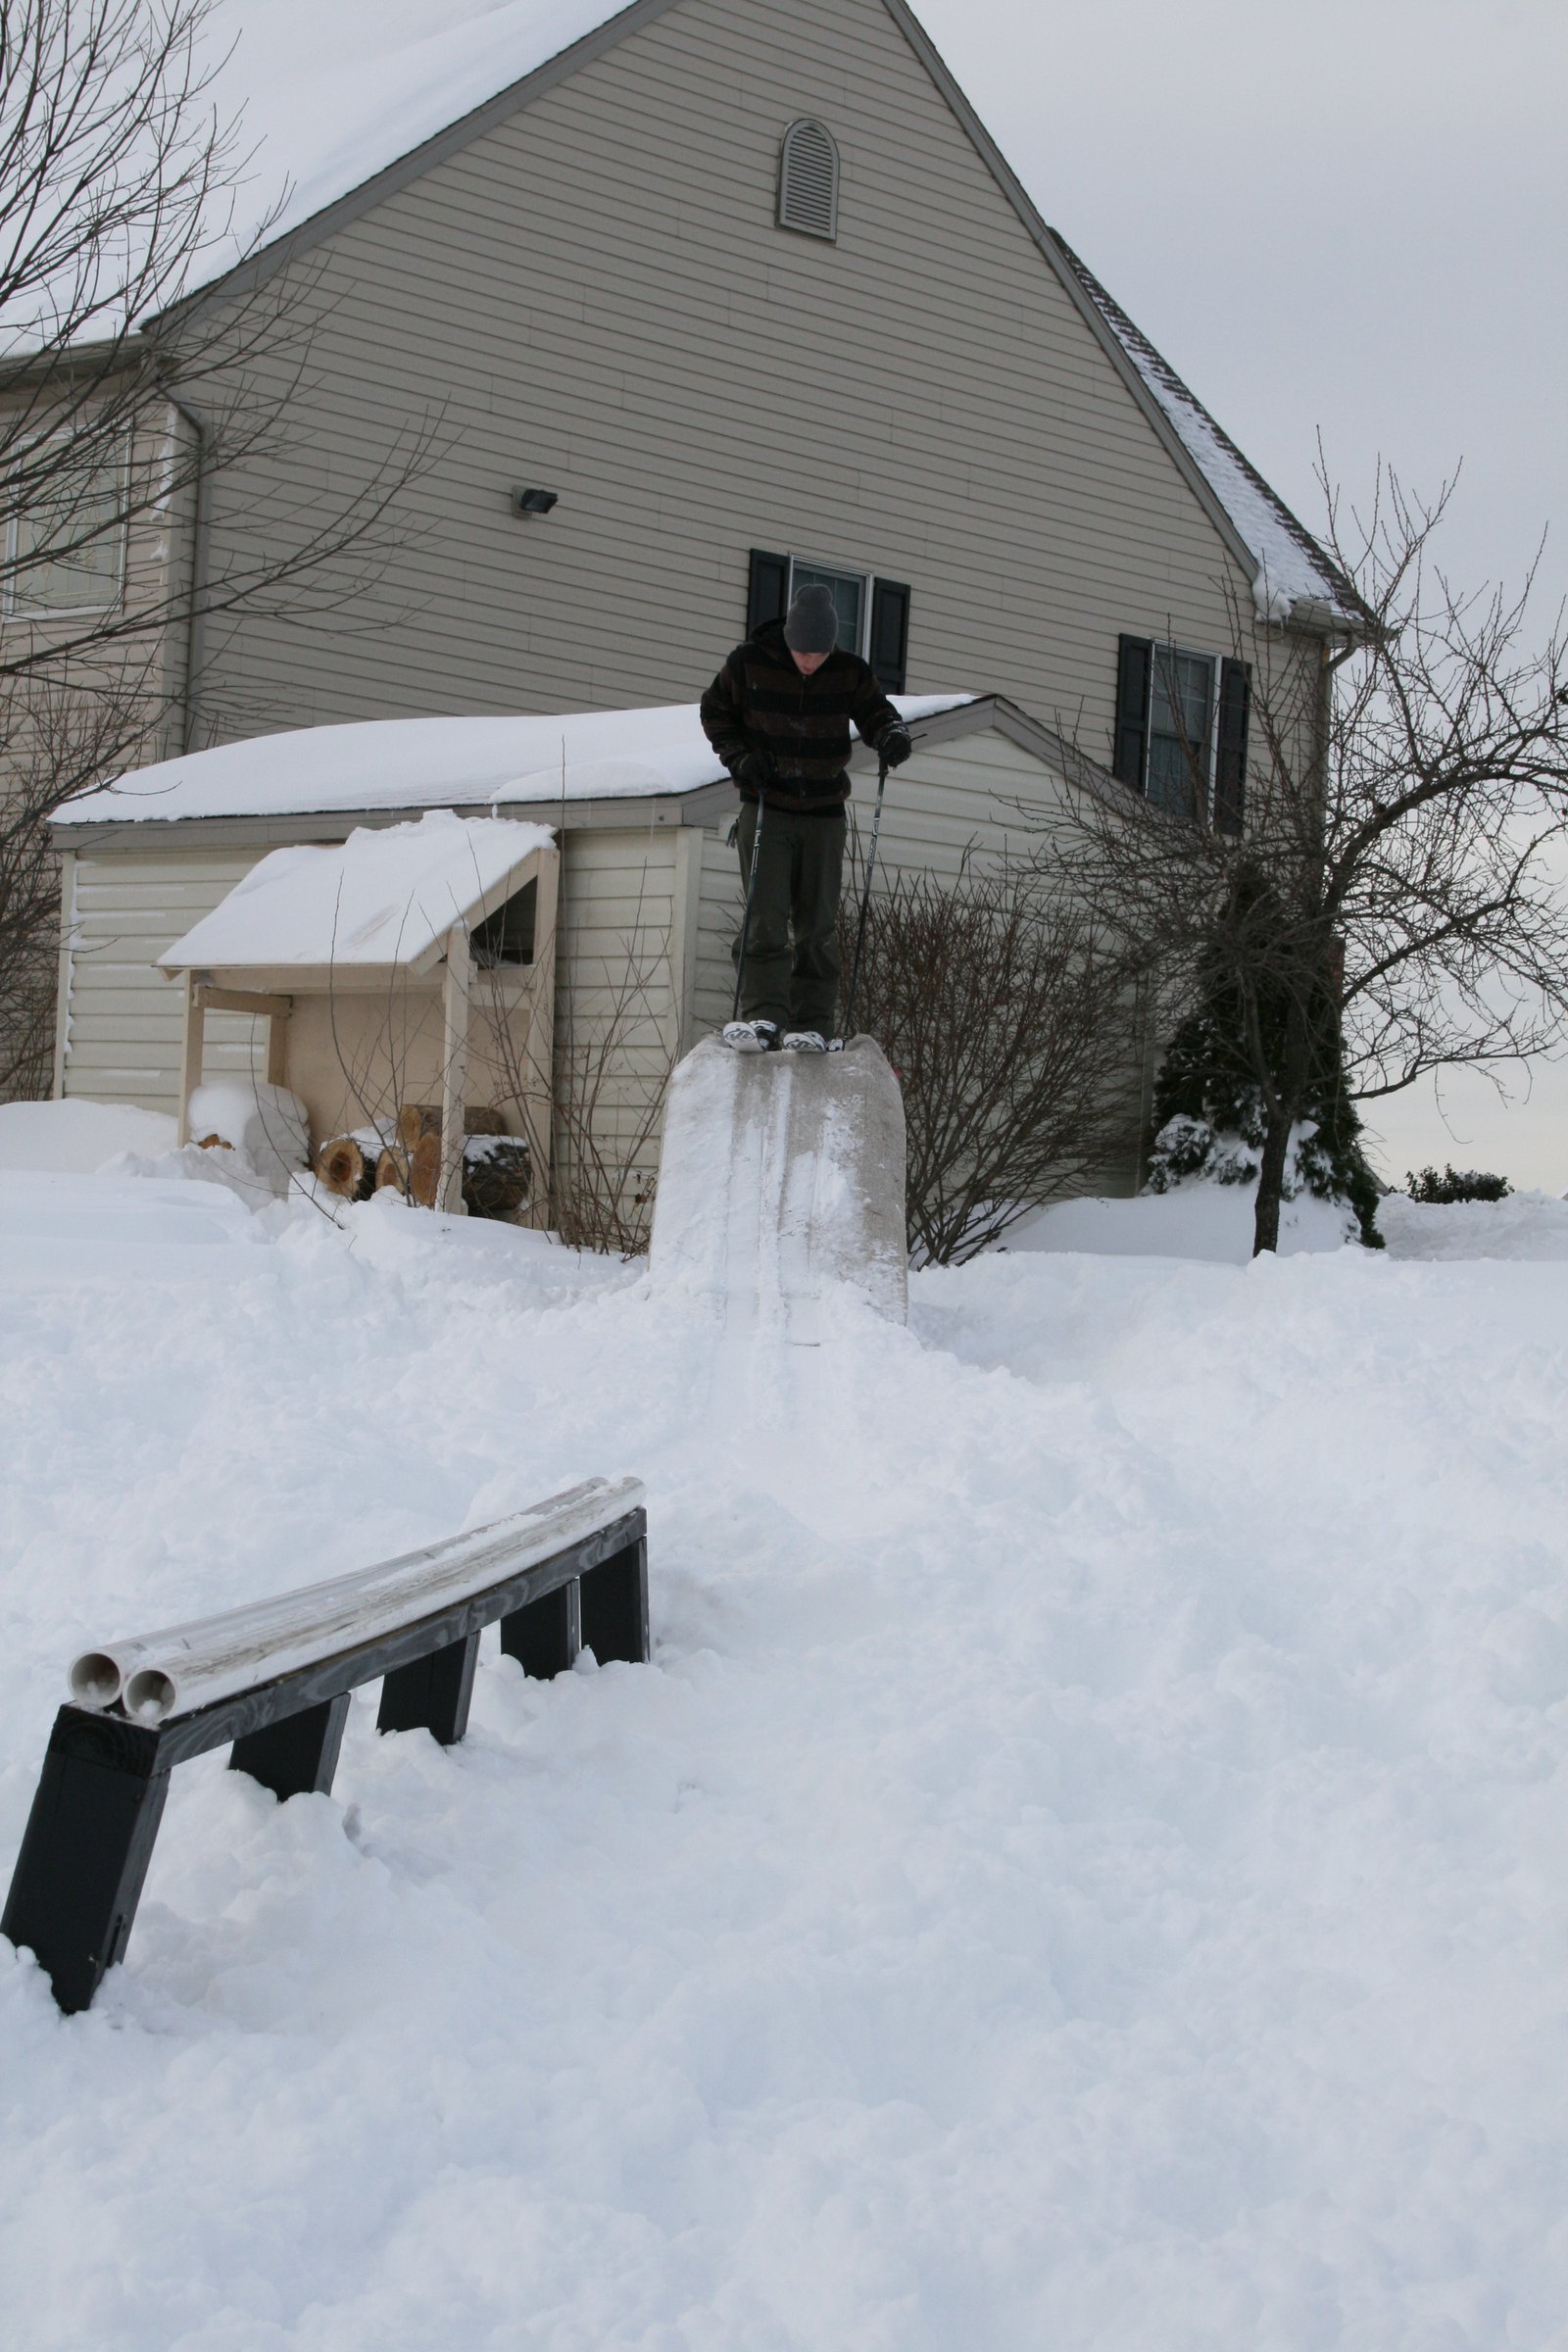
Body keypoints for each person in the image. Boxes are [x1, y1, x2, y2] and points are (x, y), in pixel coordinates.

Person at [700, 580, 911, 1052]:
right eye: (803, 653)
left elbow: (877, 713)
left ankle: (813, 1024)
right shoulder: (749, 663)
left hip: (823, 814)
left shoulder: (848, 672)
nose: (811, 662)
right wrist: (740, 758)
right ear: (789, 639)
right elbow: (715, 711)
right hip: (767, 807)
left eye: (819, 654)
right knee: (765, 918)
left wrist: (892, 735)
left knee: (818, 923)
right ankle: (764, 1018)